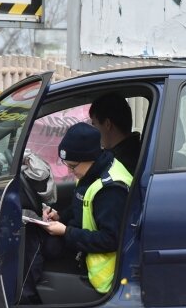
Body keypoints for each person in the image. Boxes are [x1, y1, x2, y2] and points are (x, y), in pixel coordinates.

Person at [42, 122, 133, 294]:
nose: (69, 171)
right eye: (66, 164)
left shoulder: (110, 190)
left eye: (73, 166)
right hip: (83, 249)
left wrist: (66, 232)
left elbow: (111, 239)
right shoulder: (90, 172)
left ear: (90, 157)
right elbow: (82, 206)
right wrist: (59, 216)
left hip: (105, 275)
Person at [89, 93, 142, 175]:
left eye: (94, 124)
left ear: (107, 124)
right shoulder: (136, 150)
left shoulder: (120, 164)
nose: (93, 131)